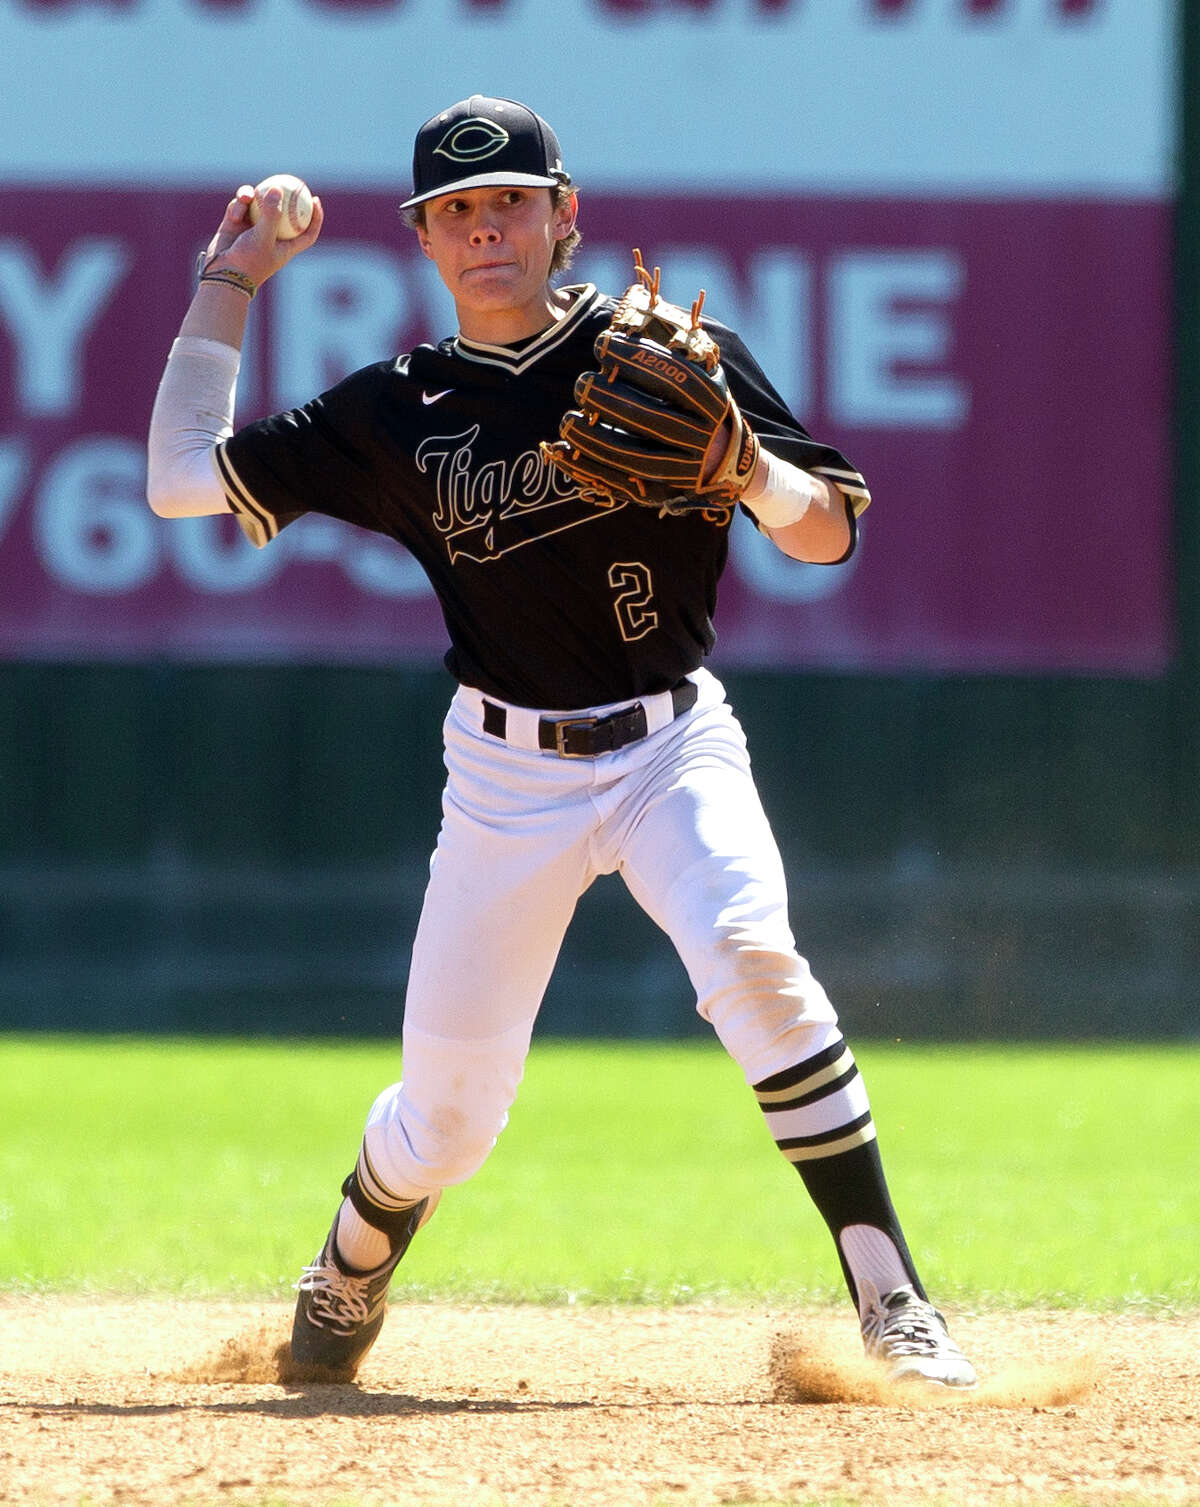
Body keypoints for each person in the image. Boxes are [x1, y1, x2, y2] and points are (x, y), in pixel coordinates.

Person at [147, 94, 976, 1388]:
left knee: (755, 962)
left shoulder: (679, 359)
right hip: (504, 776)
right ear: (425, 239)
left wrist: (752, 469)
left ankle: (894, 1299)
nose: (488, 229)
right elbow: (178, 478)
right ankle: (350, 1264)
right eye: (458, 211)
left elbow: (826, 535)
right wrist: (230, 278)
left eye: (512, 203)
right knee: (446, 1126)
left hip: (672, 746)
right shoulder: (395, 411)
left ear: (564, 217)